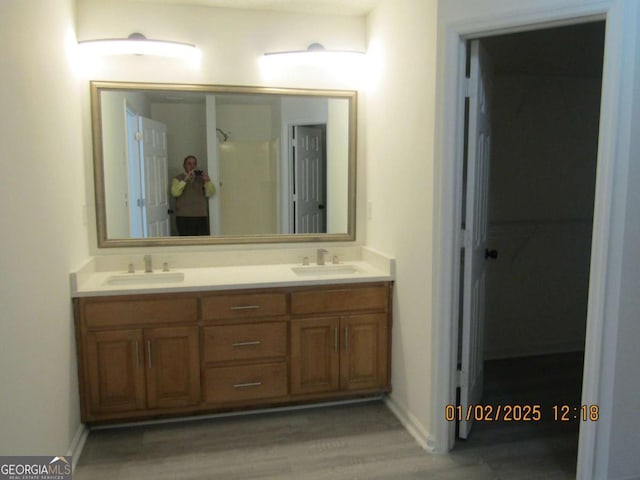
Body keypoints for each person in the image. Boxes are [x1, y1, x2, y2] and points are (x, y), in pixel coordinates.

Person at [171, 155, 216, 236]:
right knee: (186, 243)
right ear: (184, 165)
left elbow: (210, 193)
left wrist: (207, 181)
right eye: (189, 164)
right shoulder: (178, 178)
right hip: (184, 217)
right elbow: (175, 192)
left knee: (202, 243)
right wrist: (185, 180)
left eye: (194, 164)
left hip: (201, 216)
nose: (192, 166)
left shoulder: (201, 178)